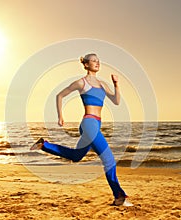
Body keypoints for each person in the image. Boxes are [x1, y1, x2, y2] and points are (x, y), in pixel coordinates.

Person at [31, 53, 133, 206]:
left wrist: (116, 84)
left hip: (96, 124)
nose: (97, 62)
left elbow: (116, 101)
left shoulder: (103, 84)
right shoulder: (82, 83)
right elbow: (60, 95)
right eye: (93, 61)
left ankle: (44, 145)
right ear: (86, 64)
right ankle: (119, 196)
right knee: (109, 160)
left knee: (76, 156)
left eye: (98, 60)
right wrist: (60, 116)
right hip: (89, 123)